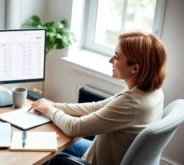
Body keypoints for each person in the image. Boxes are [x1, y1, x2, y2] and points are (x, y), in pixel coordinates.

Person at [29, 31, 167, 165]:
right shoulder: (152, 91)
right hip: (102, 152)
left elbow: (75, 128)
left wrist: (49, 111)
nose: (110, 60)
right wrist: (56, 106)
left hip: (99, 160)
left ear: (135, 69)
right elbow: (98, 106)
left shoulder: (132, 102)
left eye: (117, 57)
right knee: (51, 143)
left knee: (46, 156)